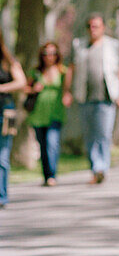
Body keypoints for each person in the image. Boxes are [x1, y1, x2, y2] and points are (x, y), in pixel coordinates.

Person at [62, 14, 119, 184]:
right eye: (90, 26)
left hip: (106, 98)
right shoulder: (79, 46)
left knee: (104, 134)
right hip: (85, 97)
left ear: (103, 27)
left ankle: (101, 167)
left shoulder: (113, 45)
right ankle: (95, 168)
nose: (93, 29)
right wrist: (67, 91)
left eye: (97, 26)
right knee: (89, 136)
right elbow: (71, 69)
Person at [26, 42, 67, 186]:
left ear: (57, 55)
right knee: (43, 146)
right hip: (38, 114)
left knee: (52, 143)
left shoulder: (63, 71)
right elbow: (26, 88)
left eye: (53, 53)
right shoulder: (36, 72)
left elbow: (67, 90)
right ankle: (46, 175)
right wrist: (33, 89)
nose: (49, 56)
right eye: (46, 53)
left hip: (55, 113)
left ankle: (52, 175)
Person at [0, 33, 27, 208]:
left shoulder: (8, 60)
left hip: (5, 112)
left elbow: (21, 82)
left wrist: (1, 88)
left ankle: (2, 196)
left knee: (2, 156)